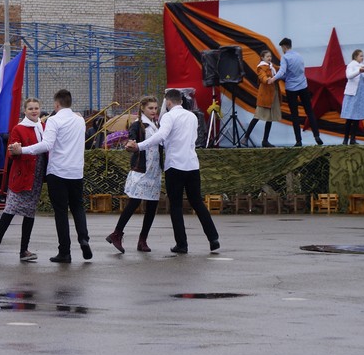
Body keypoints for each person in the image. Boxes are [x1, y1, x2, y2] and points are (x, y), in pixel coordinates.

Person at [126, 89, 220, 254]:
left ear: (168, 103)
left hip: (175, 166)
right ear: (181, 101)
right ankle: (213, 238)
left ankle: (182, 244)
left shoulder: (169, 117)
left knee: (176, 205)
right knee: (197, 202)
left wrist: (139, 146)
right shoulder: (192, 116)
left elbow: (160, 136)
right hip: (192, 164)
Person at [9, 89, 91, 264]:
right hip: (76, 171)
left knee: (61, 212)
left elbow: (46, 145)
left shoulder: (54, 120)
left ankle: (65, 251)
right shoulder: (80, 120)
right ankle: (84, 238)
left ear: (56, 104)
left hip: (58, 171)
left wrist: (22, 150)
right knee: (78, 207)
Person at [0, 98, 45, 262]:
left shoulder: (42, 127)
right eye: (30, 109)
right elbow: (11, 153)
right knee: (9, 211)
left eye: (36, 108)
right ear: (24, 111)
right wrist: (15, 150)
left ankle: (24, 250)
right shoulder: (19, 128)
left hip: (36, 176)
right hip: (21, 175)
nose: (34, 111)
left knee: (29, 213)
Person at [105, 96, 161, 253]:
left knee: (152, 206)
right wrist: (130, 144)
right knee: (134, 202)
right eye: (151, 108)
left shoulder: (158, 125)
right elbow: (131, 139)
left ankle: (143, 240)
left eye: (156, 108)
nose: (154, 111)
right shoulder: (137, 125)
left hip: (155, 170)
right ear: (143, 108)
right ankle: (117, 233)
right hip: (141, 170)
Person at [270, 38, 324, 146]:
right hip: (303, 86)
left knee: (295, 115)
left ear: (284, 47)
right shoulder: (299, 56)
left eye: (282, 48)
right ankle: (316, 135)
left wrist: (273, 78)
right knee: (309, 111)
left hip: (291, 89)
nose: (282, 50)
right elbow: (300, 71)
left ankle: (298, 141)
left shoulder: (285, 57)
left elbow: (282, 72)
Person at [242, 50, 283, 148]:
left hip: (273, 94)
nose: (269, 58)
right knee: (257, 117)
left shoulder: (272, 67)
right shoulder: (261, 67)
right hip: (265, 96)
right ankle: (245, 137)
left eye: (270, 56)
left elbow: (281, 70)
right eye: (267, 56)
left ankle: (265, 140)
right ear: (262, 58)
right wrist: (267, 79)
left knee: (270, 118)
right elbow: (262, 76)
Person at [340, 49, 364, 145]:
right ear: (355, 57)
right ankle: (345, 139)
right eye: (360, 56)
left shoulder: (363, 66)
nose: (362, 57)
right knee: (350, 118)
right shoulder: (352, 65)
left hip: (360, 95)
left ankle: (353, 139)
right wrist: (359, 71)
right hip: (353, 95)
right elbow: (349, 76)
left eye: (363, 56)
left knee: (357, 118)